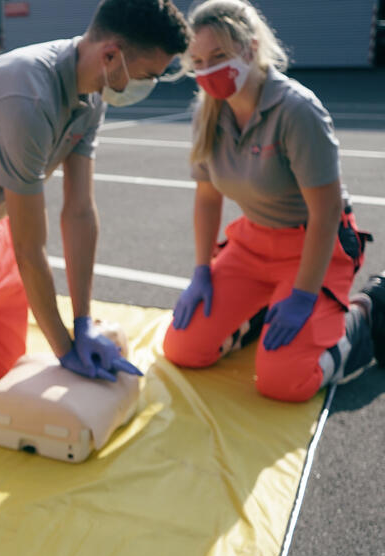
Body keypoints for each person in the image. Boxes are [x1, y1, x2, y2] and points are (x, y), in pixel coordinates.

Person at [0, 0, 191, 421]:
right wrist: (64, 348)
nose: (150, 84)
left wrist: (82, 320)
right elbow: (34, 248)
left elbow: (80, 211)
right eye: (149, 75)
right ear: (111, 54)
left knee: (3, 364)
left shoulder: (95, 91)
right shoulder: (26, 92)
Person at [163, 0, 383, 401]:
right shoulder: (206, 113)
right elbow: (208, 198)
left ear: (250, 48)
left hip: (315, 245)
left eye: (218, 56)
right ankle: (264, 314)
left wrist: (302, 294)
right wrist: (201, 271)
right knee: (183, 349)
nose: (206, 69)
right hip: (252, 244)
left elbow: (326, 211)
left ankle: (367, 312)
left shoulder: (297, 110)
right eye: (197, 60)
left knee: (285, 382)